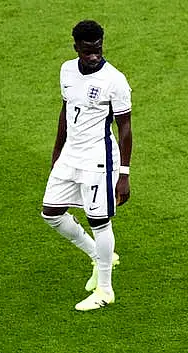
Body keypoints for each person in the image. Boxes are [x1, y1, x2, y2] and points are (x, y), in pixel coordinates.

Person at [41, 20, 133, 311]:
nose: (94, 56)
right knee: (50, 212)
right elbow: (66, 110)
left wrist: (124, 174)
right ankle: (97, 254)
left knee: (99, 221)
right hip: (71, 156)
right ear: (76, 47)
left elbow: (126, 128)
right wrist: (57, 151)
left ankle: (105, 291)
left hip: (98, 159)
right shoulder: (67, 70)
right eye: (87, 51)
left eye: (98, 49)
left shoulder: (115, 81)